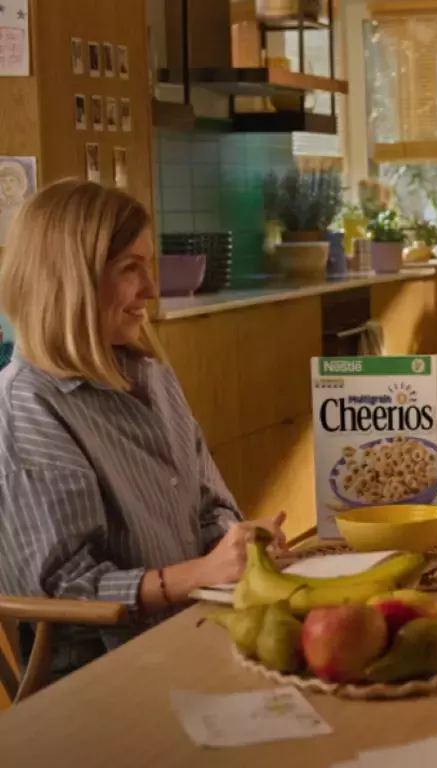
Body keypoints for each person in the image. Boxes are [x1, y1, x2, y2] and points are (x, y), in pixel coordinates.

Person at [0, 179, 286, 678]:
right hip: (103, 678)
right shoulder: (27, 406)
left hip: (197, 629)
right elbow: (61, 593)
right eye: (130, 269)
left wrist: (238, 546)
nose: (151, 291)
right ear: (70, 280)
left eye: (147, 266)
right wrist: (198, 574)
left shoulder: (150, 374)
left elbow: (208, 504)